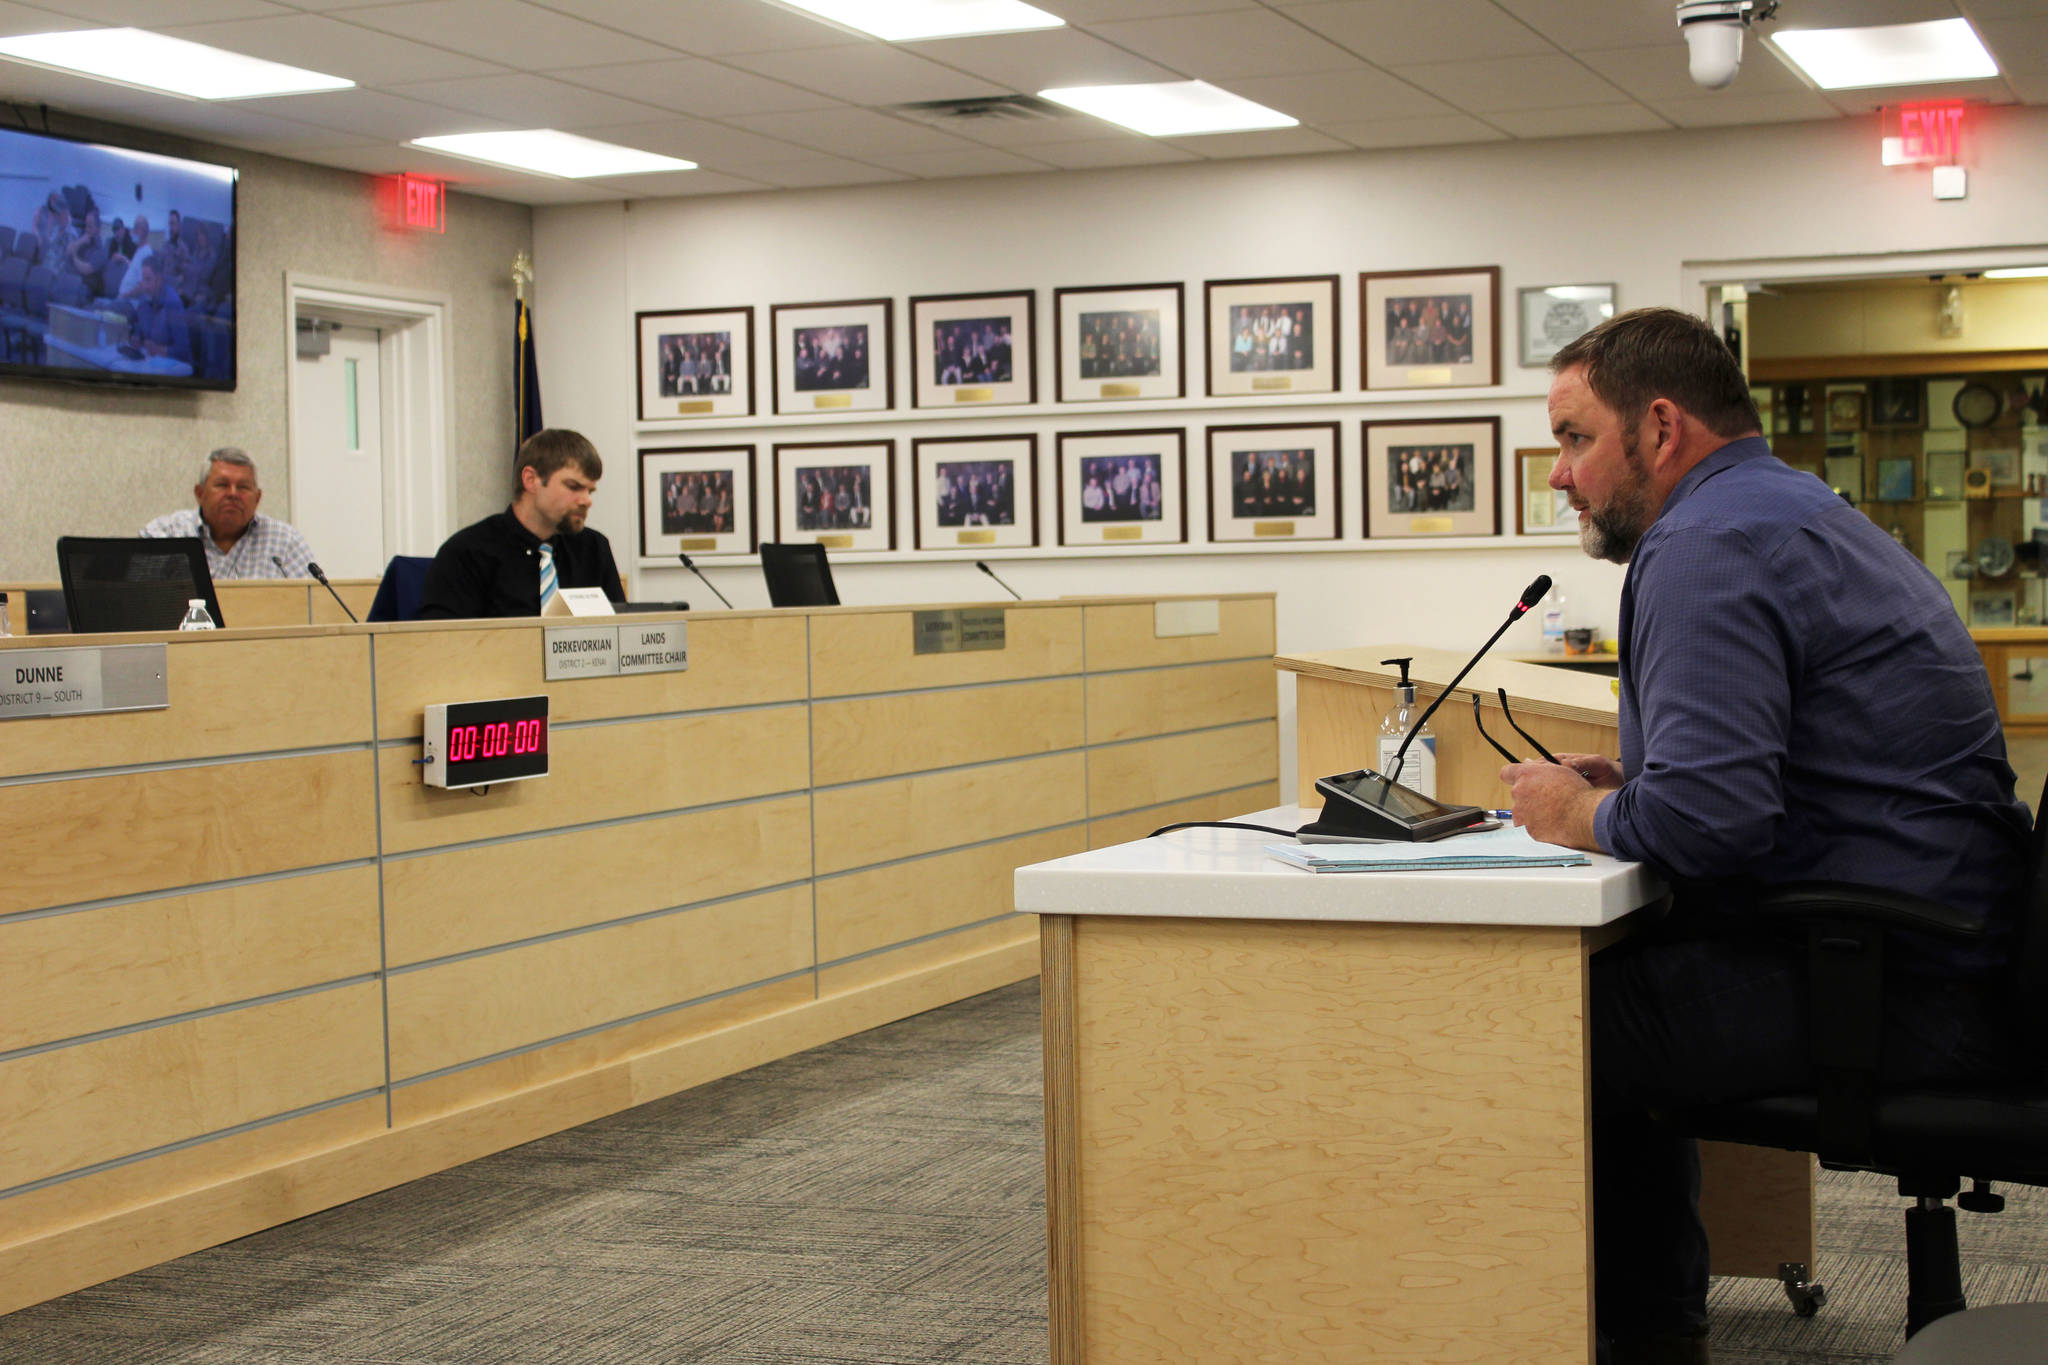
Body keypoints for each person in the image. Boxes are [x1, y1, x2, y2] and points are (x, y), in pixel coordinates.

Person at [1498, 307, 2029, 1365]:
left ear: (1657, 428)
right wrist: (1635, 787)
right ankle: (1648, 1323)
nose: (1557, 475)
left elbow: (1707, 825)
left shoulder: (1704, 542)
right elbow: (1756, 780)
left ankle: (1633, 1338)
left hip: (1898, 987)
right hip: (1951, 953)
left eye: (1571, 439)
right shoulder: (1785, 508)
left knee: (1529, 1020)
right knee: (1604, 990)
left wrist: (1580, 812)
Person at [418, 428, 623, 619]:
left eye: (590, 491)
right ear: (530, 479)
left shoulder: (594, 549)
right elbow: (442, 645)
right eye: (573, 487)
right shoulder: (467, 552)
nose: (586, 500)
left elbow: (620, 635)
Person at [142, 448, 315, 579]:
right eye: (222, 485)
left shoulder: (285, 542)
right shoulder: (164, 534)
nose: (233, 494)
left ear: (258, 498)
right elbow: (136, 601)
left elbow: (313, 606)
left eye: (243, 487)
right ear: (199, 493)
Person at [126, 255, 192, 366]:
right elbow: (139, 326)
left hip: (172, 369)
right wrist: (136, 336)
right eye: (143, 279)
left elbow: (183, 350)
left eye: (148, 280)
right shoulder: (144, 299)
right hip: (149, 363)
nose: (144, 286)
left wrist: (160, 349)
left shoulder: (172, 303)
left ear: (159, 279)